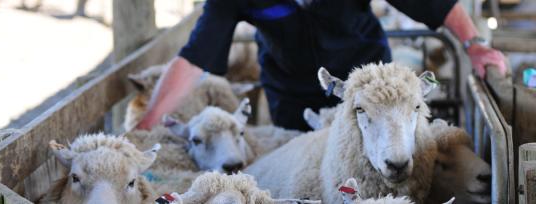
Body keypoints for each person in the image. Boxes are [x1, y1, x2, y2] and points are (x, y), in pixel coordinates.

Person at [136, 0, 506, 131]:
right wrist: (148, 122)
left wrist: (474, 44)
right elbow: (195, 57)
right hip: (292, 99)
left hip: (368, 89)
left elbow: (433, 4)